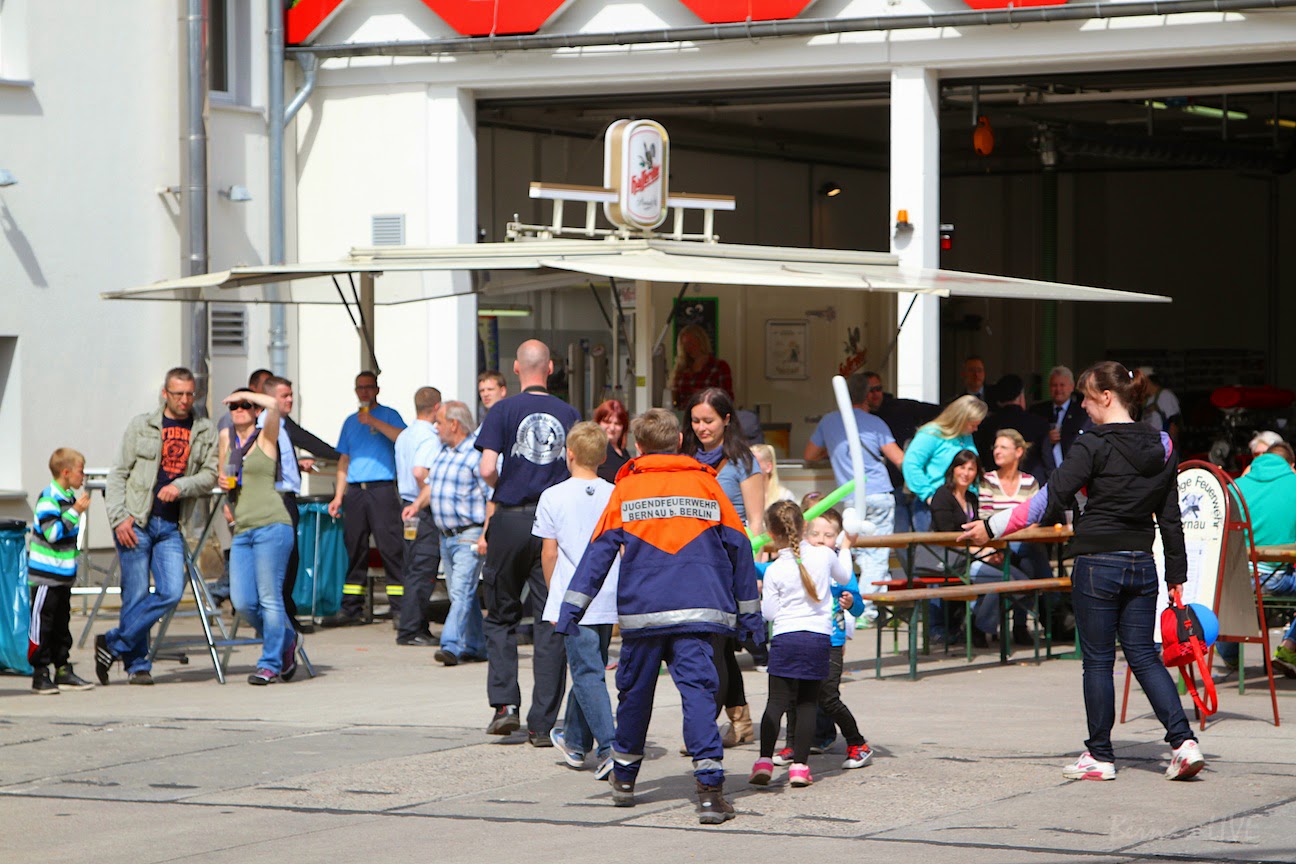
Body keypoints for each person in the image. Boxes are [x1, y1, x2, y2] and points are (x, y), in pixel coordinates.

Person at [962, 362, 1204, 782]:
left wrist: (991, 528)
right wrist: (1176, 575)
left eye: (1088, 399)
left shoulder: (1091, 444)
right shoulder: (1163, 445)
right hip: (1142, 562)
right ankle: (1183, 743)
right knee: (1143, 656)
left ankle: (1099, 755)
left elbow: (1050, 499)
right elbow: (1170, 517)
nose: (1084, 407)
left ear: (1107, 397)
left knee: (1097, 662)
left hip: (1097, 563)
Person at [555, 408, 763, 825]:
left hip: (643, 615)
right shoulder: (707, 485)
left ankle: (625, 781)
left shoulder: (626, 490)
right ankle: (708, 794)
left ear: (638, 447)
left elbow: (598, 554)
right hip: (699, 614)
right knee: (699, 698)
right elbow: (740, 548)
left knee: (634, 698)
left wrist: (570, 611)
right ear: (681, 443)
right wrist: (751, 620)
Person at [476, 340, 580, 743]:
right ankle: (542, 722)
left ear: (517, 368)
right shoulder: (569, 413)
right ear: (550, 367)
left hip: (512, 519)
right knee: (549, 618)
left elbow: (487, 466)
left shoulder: (502, 410)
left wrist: (504, 486)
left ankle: (505, 705)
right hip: (553, 522)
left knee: (501, 613)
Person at [97, 367, 218, 686]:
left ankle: (113, 642)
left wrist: (181, 485)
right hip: (135, 521)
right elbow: (118, 473)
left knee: (171, 591)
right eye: (178, 394)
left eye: (190, 394)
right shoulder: (142, 425)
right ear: (165, 394)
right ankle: (137, 664)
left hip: (170, 524)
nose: (184, 400)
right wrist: (118, 517)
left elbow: (210, 474)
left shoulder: (204, 429)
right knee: (134, 594)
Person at [535, 422, 620, 778]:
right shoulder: (616, 493)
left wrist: (556, 597)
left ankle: (610, 746)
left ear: (568, 454)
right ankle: (574, 740)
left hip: (573, 595)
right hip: (608, 592)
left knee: (586, 672)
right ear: (603, 457)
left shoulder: (553, 496)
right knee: (591, 668)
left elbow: (549, 554)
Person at [747, 501, 852, 788]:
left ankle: (765, 761)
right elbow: (844, 577)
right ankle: (800, 767)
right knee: (807, 703)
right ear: (804, 526)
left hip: (785, 638)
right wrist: (842, 547)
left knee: (777, 702)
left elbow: (768, 613)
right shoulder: (823, 556)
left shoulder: (773, 570)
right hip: (817, 638)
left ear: (770, 533)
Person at [681, 386, 763, 747]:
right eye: (696, 421)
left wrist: (754, 575)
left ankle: (703, 729)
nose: (702, 428)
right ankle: (741, 720)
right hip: (695, 564)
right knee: (722, 647)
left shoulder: (744, 461)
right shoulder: (685, 458)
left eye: (709, 420)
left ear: (727, 420)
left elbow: (756, 523)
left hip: (730, 567)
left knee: (714, 646)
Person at [773, 507, 872, 771]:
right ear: (804, 533)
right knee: (795, 696)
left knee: (827, 697)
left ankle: (858, 744)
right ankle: (794, 744)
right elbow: (770, 571)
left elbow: (860, 607)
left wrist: (852, 603)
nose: (820, 539)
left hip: (832, 643)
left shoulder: (837, 566)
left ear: (838, 538)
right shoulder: (801, 562)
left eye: (828, 535)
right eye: (815, 533)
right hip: (804, 638)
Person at [805, 371, 906, 614]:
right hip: (879, 493)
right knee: (876, 555)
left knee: (857, 552)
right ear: (867, 396)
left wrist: (834, 449)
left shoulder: (828, 422)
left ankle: (873, 606)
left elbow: (809, 455)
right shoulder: (876, 423)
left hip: (850, 496)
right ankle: (867, 609)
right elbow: (900, 459)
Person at [218, 389, 299, 685]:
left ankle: (269, 663)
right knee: (242, 602)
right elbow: (224, 476)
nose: (238, 409)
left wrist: (245, 393)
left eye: (245, 406)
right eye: (234, 406)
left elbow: (276, 405)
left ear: (255, 411)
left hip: (272, 524)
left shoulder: (266, 436)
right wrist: (227, 495)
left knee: (269, 598)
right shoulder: (226, 438)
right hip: (242, 528)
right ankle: (288, 638)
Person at [322, 371, 407, 628]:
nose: (364, 392)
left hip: (382, 489)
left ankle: (401, 609)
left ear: (377, 390)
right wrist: (339, 495)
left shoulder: (389, 415)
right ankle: (351, 608)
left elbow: (403, 438)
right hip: (356, 491)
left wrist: (373, 421)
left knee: (390, 547)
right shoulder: (350, 422)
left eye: (368, 388)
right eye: (360, 388)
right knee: (354, 548)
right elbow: (344, 460)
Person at [928, 450, 1033, 646]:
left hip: (975, 557)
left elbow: (981, 532)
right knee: (1006, 580)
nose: (966, 473)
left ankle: (978, 623)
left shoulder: (971, 498)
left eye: (971, 468)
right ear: (953, 469)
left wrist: (990, 553)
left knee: (1024, 583)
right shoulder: (942, 495)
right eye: (962, 467)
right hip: (952, 561)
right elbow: (947, 536)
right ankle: (980, 626)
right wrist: (982, 554)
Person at [424, 401, 489, 667]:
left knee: (461, 592)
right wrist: (416, 505)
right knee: (463, 594)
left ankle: (450, 645)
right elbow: (431, 487)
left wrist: (486, 534)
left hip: (468, 535)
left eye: (439, 421)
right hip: (446, 536)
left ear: (454, 424)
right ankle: (477, 645)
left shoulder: (476, 455)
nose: (435, 426)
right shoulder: (442, 452)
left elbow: (492, 497)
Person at [28, 448, 95, 694]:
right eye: (81, 471)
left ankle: (63, 668)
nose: (83, 477)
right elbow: (53, 533)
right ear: (66, 472)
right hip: (46, 577)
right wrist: (75, 512)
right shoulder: (49, 499)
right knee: (42, 624)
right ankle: (40, 672)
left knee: (61, 624)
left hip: (63, 577)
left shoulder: (67, 498)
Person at [1227, 441, 1296, 676]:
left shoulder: (1236, 486)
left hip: (1234, 577)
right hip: (1273, 576)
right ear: (1292, 465)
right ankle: (1290, 646)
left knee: (1228, 597)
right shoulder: (1294, 485)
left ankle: (1228, 653)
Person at [394, 386, 442, 647]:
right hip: (421, 507)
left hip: (406, 504)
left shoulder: (405, 435)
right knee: (422, 570)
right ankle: (411, 629)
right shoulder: (430, 437)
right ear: (436, 407)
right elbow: (419, 471)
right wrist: (428, 491)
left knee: (412, 566)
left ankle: (417, 626)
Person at [901, 394, 987, 534]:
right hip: (933, 507)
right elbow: (911, 465)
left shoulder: (966, 436)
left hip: (963, 505)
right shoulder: (932, 434)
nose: (975, 429)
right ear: (960, 420)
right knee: (936, 552)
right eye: (973, 425)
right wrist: (929, 495)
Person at [974, 374, 1050, 477]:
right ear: (1021, 396)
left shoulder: (986, 425)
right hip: (1031, 485)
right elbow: (1048, 461)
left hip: (995, 485)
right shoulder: (1039, 423)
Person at [1029, 365, 1089, 479]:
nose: (1058, 389)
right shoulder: (1037, 411)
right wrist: (1046, 439)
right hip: (1043, 475)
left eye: (1062, 385)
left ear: (1072, 387)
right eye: (1054, 385)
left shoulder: (1082, 412)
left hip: (1073, 473)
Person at [670, 323, 733, 409]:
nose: (688, 348)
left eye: (691, 343)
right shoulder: (682, 368)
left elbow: (727, 398)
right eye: (685, 345)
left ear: (701, 341)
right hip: (684, 415)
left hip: (709, 414)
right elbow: (675, 399)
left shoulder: (719, 367)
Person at [1138, 367, 1183, 445]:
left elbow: (1174, 422)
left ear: (1146, 380)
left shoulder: (1165, 395)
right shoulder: (1147, 401)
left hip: (1162, 446)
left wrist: (1170, 446)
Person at [594, 399, 632, 484]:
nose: (612, 428)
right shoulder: (595, 451)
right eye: (607, 422)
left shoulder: (623, 452)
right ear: (598, 423)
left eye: (617, 424)